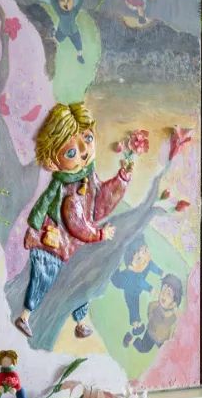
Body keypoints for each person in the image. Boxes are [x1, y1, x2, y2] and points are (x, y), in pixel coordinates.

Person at [15, 102, 130, 340]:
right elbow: (76, 222)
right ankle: (25, 316)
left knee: (80, 280)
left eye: (88, 138)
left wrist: (122, 179)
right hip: (52, 246)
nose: (84, 151)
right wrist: (100, 234)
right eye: (71, 152)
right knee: (43, 279)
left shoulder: (86, 176)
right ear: (52, 161)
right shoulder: (66, 187)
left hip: (72, 248)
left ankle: (80, 322)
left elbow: (100, 204)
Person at [110, 237, 163, 347]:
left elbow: (151, 265)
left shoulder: (146, 262)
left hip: (135, 290)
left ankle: (136, 326)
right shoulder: (132, 274)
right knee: (133, 307)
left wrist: (160, 272)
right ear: (130, 266)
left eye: (145, 251)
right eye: (139, 259)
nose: (144, 259)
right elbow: (140, 282)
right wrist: (150, 288)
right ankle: (135, 326)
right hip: (129, 290)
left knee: (135, 306)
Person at [133, 274, 182, 353]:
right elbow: (149, 311)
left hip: (162, 340)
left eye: (168, 294)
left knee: (166, 353)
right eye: (163, 290)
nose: (163, 295)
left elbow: (175, 331)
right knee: (143, 348)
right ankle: (131, 340)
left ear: (174, 303)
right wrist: (152, 320)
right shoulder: (154, 305)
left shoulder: (174, 317)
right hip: (150, 333)